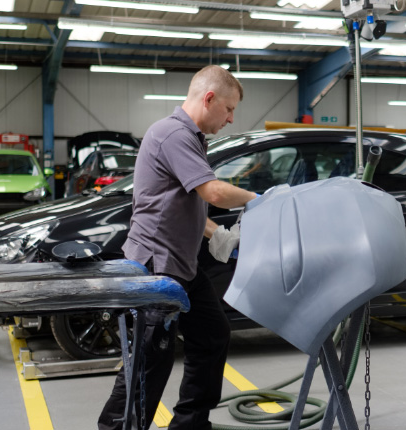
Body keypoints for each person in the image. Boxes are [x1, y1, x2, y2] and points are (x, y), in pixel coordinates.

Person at [98, 65, 257, 430]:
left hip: (181, 265)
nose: (231, 119)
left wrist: (218, 234)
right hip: (155, 268)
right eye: (229, 109)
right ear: (209, 98)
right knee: (150, 359)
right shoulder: (172, 134)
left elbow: (178, 204)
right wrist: (262, 199)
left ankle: (190, 424)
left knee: (212, 335)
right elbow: (214, 192)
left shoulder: (192, 137)